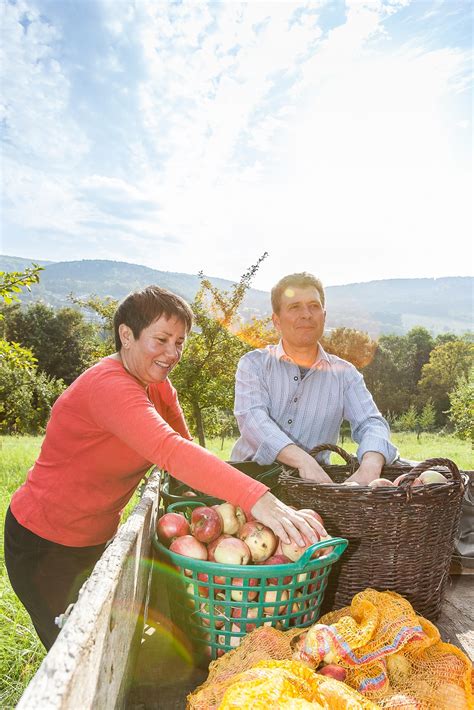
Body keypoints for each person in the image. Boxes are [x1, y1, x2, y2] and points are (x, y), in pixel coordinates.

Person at [4, 285, 324, 651]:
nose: (172, 354)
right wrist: (260, 500)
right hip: (44, 545)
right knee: (78, 655)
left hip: (96, 540)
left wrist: (223, 515)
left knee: (110, 644)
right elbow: (169, 449)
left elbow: (185, 449)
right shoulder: (108, 386)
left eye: (180, 342)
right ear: (127, 335)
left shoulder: (156, 386)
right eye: (161, 340)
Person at [231, 272, 398, 484]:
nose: (306, 314)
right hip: (248, 481)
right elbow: (252, 418)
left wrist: (370, 466)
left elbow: (371, 422)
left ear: (324, 316)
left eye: (314, 306)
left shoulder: (345, 374)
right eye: (295, 307)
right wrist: (303, 461)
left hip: (313, 487)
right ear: (277, 321)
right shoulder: (253, 364)